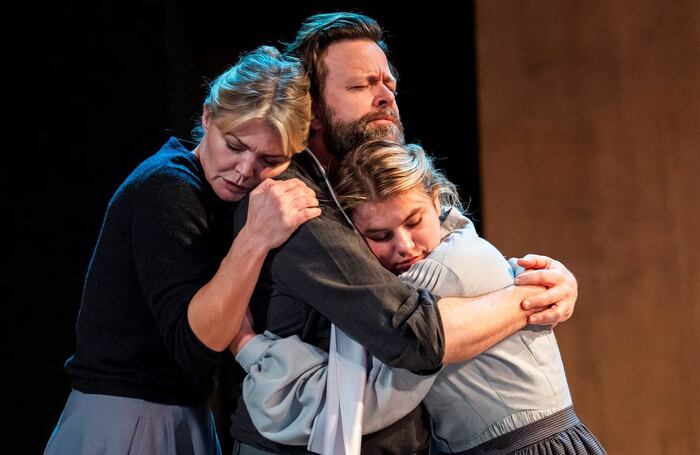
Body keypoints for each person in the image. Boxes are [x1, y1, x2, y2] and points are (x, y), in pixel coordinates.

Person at [225, 12, 579, 455]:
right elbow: (411, 335)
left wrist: (541, 277)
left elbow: (455, 242)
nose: (384, 98)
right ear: (310, 109)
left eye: (388, 85)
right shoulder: (292, 203)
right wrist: (526, 300)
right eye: (361, 86)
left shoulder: (374, 177)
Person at [235, 141, 606, 455]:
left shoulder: (433, 277)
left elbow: (369, 401)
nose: (405, 246)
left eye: (414, 222)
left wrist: (250, 349)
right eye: (380, 236)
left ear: (436, 198)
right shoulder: (464, 245)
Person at [43, 46, 320, 454]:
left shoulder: (214, 193)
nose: (246, 170)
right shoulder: (167, 188)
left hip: (180, 413)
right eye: (235, 145)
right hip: (130, 420)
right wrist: (256, 237)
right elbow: (196, 348)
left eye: (269, 159)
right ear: (207, 117)